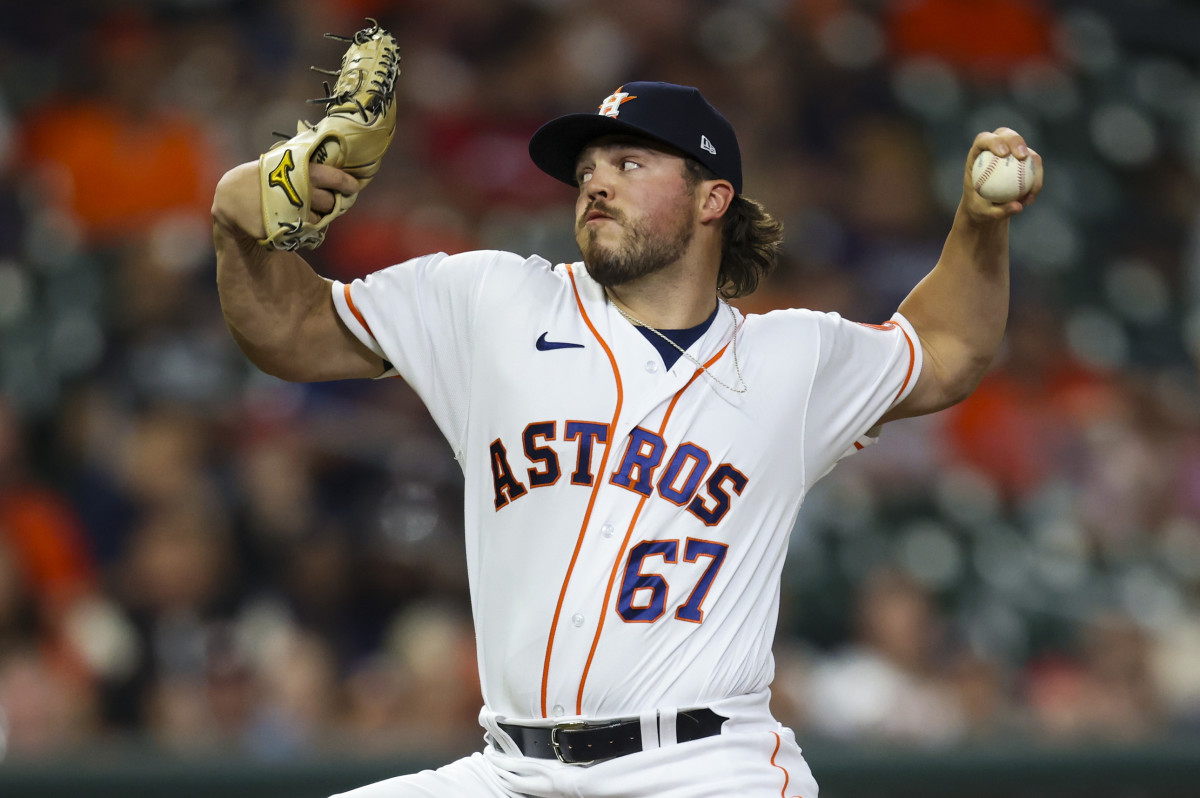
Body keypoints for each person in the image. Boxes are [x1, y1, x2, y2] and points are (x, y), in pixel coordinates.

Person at [212, 81, 1042, 797]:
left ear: (713, 199)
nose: (595, 184)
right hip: (513, 771)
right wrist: (240, 220)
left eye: (630, 164)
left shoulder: (790, 361)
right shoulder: (492, 303)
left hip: (705, 769)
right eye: (587, 171)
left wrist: (978, 222)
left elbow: (948, 350)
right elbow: (287, 328)